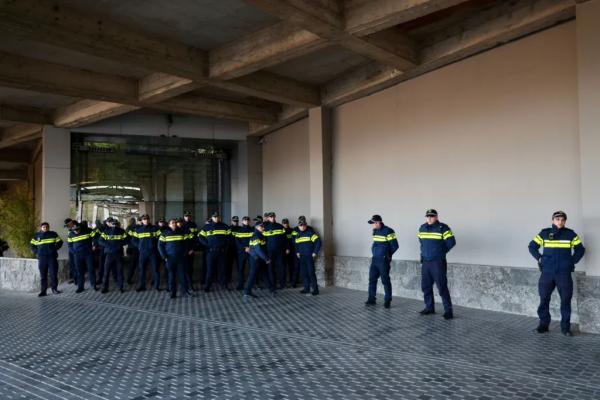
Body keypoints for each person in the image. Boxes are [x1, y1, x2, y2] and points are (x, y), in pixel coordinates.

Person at [529, 211, 585, 336]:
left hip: (563, 274)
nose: (560, 221)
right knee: (544, 299)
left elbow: (580, 249)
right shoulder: (544, 233)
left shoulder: (570, 234)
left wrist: (571, 261)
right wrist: (539, 258)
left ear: (565, 221)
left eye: (562, 219)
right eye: (557, 219)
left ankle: (565, 328)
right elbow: (532, 246)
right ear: (553, 220)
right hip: (547, 273)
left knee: (565, 300)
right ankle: (543, 326)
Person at [417, 209, 456, 319]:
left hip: (437, 262)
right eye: (428, 216)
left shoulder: (443, 228)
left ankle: (448, 311)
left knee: (442, 286)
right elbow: (421, 242)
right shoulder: (422, 228)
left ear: (436, 217)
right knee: (426, 286)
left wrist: (440, 252)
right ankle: (429, 307)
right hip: (426, 262)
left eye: (432, 216)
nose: (429, 218)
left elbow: (451, 242)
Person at [365, 214, 398, 308]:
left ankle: (388, 300)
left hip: (383, 260)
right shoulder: (375, 231)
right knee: (372, 279)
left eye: (373, 223)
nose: (372, 225)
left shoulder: (388, 231)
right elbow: (375, 243)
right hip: (375, 259)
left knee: (385, 280)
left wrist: (387, 255)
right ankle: (371, 299)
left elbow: (395, 246)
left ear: (378, 222)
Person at [158, 218, 192, 299]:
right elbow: (160, 246)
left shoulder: (182, 233)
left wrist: (185, 253)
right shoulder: (164, 234)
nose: (174, 224)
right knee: (171, 276)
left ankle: (185, 292)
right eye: (172, 223)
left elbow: (186, 244)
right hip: (170, 258)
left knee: (182, 276)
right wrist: (165, 257)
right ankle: (172, 293)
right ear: (169, 225)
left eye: (175, 223)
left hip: (181, 258)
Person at [198, 212, 231, 292]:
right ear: (212, 218)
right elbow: (200, 237)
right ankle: (207, 286)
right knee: (210, 270)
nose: (216, 218)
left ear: (220, 218)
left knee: (223, 270)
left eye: (217, 217)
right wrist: (207, 244)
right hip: (210, 252)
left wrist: (225, 246)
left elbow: (229, 238)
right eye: (214, 217)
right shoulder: (207, 227)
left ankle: (224, 285)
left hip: (222, 252)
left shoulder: (225, 226)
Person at [30, 222, 63, 297]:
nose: (45, 228)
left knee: (53, 274)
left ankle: (54, 289)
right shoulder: (36, 235)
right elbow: (32, 245)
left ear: (49, 227)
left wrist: (54, 249)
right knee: (43, 275)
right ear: (41, 228)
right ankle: (43, 291)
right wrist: (37, 252)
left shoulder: (53, 234)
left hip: (52, 257)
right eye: (44, 227)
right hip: (42, 258)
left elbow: (60, 242)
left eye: (47, 227)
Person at [243, 221, 272, 300]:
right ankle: (247, 292)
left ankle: (271, 289)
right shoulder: (256, 236)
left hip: (259, 258)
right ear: (257, 227)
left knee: (265, 273)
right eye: (261, 227)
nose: (263, 228)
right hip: (256, 259)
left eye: (263, 226)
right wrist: (266, 258)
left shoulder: (260, 235)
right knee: (252, 275)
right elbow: (258, 249)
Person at [68, 221, 98, 293]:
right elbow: (70, 245)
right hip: (77, 255)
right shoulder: (70, 234)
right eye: (74, 230)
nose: (76, 232)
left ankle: (93, 285)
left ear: (79, 228)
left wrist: (94, 245)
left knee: (91, 269)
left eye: (77, 230)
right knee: (79, 271)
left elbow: (96, 237)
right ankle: (80, 287)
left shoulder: (88, 231)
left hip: (88, 254)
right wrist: (74, 252)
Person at [99, 218, 128, 293]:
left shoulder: (122, 231)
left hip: (118, 254)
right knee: (106, 271)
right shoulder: (106, 231)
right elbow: (100, 241)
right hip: (109, 254)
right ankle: (105, 287)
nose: (114, 225)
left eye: (115, 224)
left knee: (120, 271)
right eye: (113, 224)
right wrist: (108, 245)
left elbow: (127, 240)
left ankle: (120, 287)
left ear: (117, 224)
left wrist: (119, 244)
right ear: (110, 224)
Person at [133, 214, 161, 291]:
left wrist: (156, 246)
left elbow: (160, 239)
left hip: (153, 252)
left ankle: (156, 286)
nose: (146, 220)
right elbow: (133, 240)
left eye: (147, 219)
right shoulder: (138, 230)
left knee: (155, 269)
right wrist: (139, 246)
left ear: (149, 220)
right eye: (144, 219)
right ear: (142, 220)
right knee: (142, 269)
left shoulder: (155, 229)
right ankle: (142, 285)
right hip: (143, 253)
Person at [294, 217, 321, 295]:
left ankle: (315, 290)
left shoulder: (310, 233)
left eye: (303, 225)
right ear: (298, 226)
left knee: (311, 273)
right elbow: (296, 244)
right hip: (302, 257)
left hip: (309, 257)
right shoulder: (298, 235)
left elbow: (318, 242)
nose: (302, 226)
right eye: (300, 225)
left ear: (306, 225)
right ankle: (306, 288)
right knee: (304, 273)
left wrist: (315, 252)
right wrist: (297, 252)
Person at [263, 212, 289, 290]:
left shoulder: (280, 226)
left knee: (282, 267)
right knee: (271, 268)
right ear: (268, 218)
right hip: (270, 251)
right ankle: (273, 284)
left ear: (275, 217)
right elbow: (263, 240)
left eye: (273, 217)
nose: (272, 218)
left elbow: (285, 239)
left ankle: (282, 284)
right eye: (271, 217)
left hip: (280, 251)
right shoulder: (265, 227)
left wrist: (287, 248)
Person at [233, 216, 253, 290]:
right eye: (245, 220)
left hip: (251, 252)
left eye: (248, 220)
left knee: (252, 268)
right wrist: (245, 247)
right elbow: (237, 242)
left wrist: (250, 247)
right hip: (242, 252)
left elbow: (255, 239)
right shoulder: (239, 230)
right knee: (241, 269)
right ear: (242, 222)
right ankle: (240, 284)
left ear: (249, 221)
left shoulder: (252, 230)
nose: (246, 221)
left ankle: (251, 283)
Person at [182, 211, 199, 290]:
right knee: (184, 267)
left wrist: (193, 249)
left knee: (190, 267)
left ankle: (190, 280)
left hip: (191, 250)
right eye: (186, 216)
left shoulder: (193, 225)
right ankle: (186, 282)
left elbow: (196, 238)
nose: (187, 217)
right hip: (182, 251)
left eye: (188, 216)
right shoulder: (181, 224)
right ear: (184, 216)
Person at [282, 218, 297, 288]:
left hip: (292, 251)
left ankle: (292, 280)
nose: (285, 224)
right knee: (283, 267)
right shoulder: (280, 231)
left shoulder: (292, 230)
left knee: (292, 267)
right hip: (284, 252)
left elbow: (294, 240)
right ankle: (284, 282)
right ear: (282, 223)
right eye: (284, 223)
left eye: (286, 223)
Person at [125, 217, 139, 285]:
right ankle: (130, 279)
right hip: (136, 248)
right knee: (136, 265)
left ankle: (129, 279)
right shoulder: (137, 227)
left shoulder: (128, 228)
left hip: (130, 248)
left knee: (131, 265)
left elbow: (126, 238)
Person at [64, 218, 77, 284]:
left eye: (68, 224)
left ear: (71, 222)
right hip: (71, 248)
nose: (67, 226)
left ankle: (76, 278)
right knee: (71, 264)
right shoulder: (69, 229)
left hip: (76, 248)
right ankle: (73, 278)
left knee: (76, 264)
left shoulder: (76, 227)